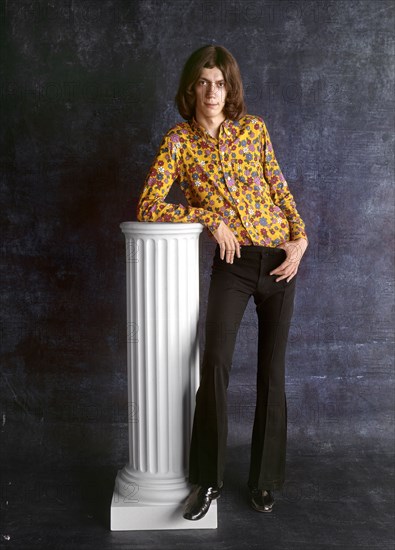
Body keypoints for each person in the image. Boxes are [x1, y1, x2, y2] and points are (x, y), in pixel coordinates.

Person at [136, 45, 308, 520]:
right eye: (204, 82)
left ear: (230, 88)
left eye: (221, 83)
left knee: (272, 374)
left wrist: (301, 239)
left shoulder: (253, 130)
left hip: (279, 261)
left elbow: (280, 188)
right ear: (191, 87)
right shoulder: (178, 142)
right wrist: (208, 216)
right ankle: (207, 481)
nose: (213, 92)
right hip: (231, 264)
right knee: (214, 365)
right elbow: (149, 204)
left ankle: (264, 482)